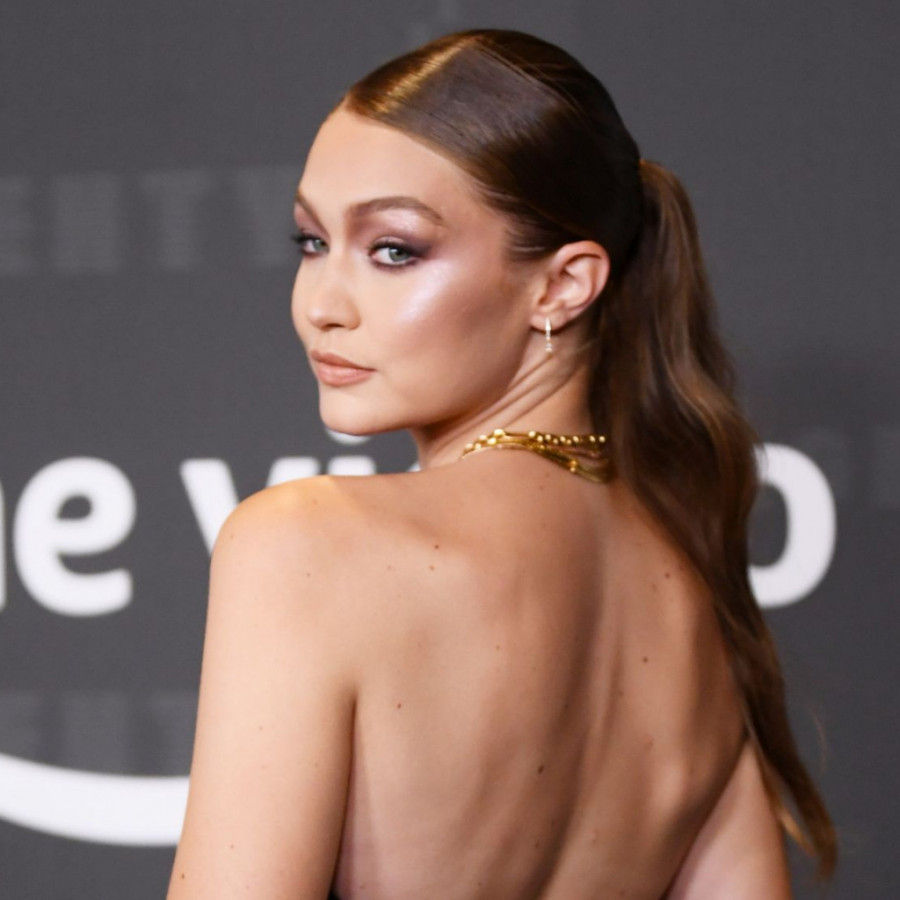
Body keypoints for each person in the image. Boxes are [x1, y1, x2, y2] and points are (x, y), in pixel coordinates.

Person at [167, 28, 836, 899]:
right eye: (311, 241)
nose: (321, 304)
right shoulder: (691, 588)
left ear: (563, 285)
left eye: (394, 249)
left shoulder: (303, 544)